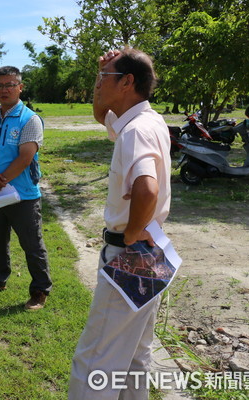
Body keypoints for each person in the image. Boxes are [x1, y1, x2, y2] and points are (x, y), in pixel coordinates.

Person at [67, 48, 171, 400]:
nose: (98, 85)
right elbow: (101, 115)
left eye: (105, 78)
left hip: (130, 253)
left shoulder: (136, 131)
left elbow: (147, 188)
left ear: (127, 82)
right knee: (135, 356)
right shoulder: (146, 120)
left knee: (95, 361)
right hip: (152, 252)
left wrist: (128, 238)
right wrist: (101, 71)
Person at [0, 66, 52, 310]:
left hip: (23, 196)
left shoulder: (30, 119)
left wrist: (1, 180)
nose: (4, 89)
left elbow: (25, 157)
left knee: (32, 244)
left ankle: (40, 290)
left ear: (20, 87)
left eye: (9, 84)